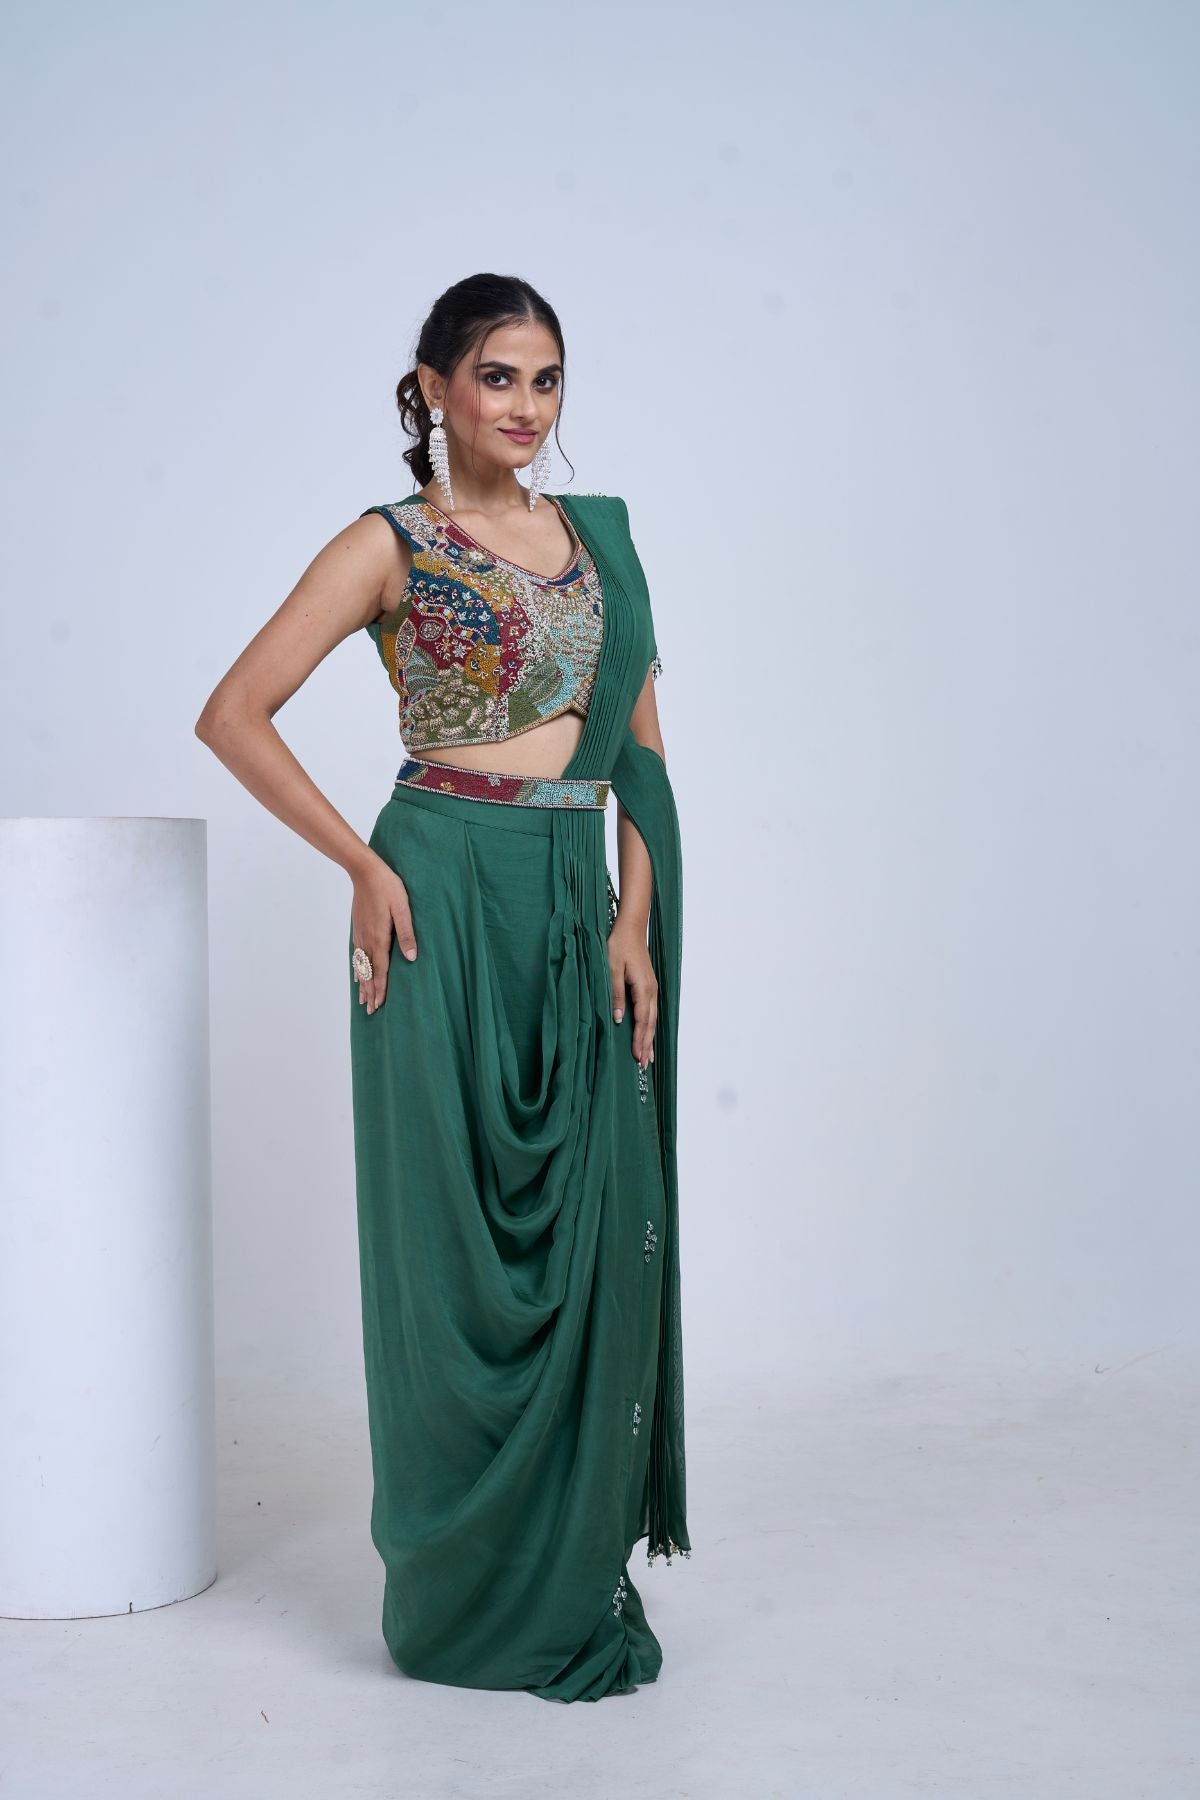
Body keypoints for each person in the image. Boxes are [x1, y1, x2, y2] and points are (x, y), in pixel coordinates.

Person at [195, 273, 690, 1702]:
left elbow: (646, 757)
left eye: (548, 379)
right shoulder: (387, 543)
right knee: (452, 1245)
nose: (526, 407)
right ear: (432, 388)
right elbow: (234, 711)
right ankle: (462, 1599)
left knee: (589, 1222)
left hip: (570, 898)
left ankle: (566, 1573)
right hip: (438, 896)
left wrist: (635, 915)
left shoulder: (599, 544)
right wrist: (361, 864)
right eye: (497, 377)